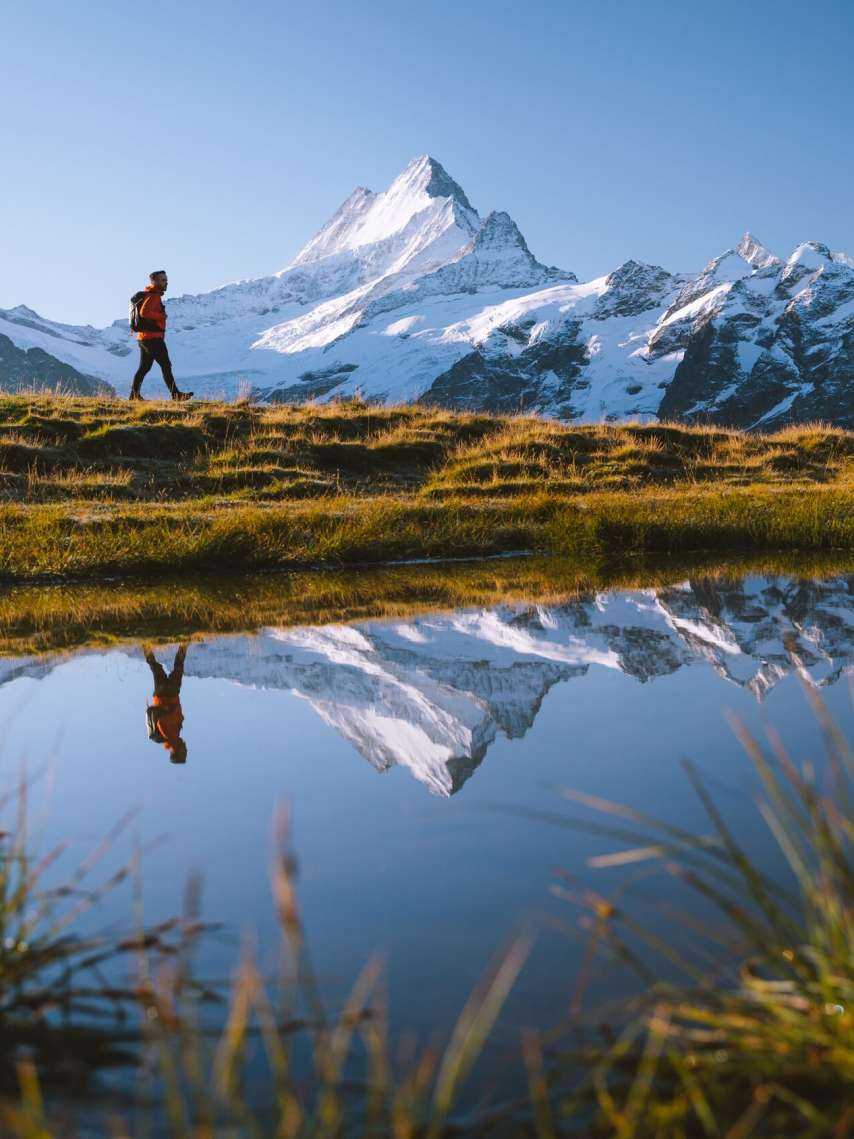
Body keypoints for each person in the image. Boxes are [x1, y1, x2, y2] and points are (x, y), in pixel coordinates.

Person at [130, 270, 193, 401]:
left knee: (144, 368)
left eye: (166, 280)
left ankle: (134, 395)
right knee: (166, 365)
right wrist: (161, 316)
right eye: (163, 280)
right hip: (153, 339)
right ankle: (176, 395)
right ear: (154, 282)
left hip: (144, 338)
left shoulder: (150, 294)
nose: (166, 282)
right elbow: (144, 313)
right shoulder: (154, 296)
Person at [144, 642, 189, 764]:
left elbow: (161, 723)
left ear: (178, 752)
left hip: (170, 694)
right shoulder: (172, 739)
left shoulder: (172, 740)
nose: (186, 750)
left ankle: (185, 641)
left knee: (178, 667)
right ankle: (145, 644)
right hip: (160, 696)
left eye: (184, 753)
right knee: (155, 667)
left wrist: (170, 709)